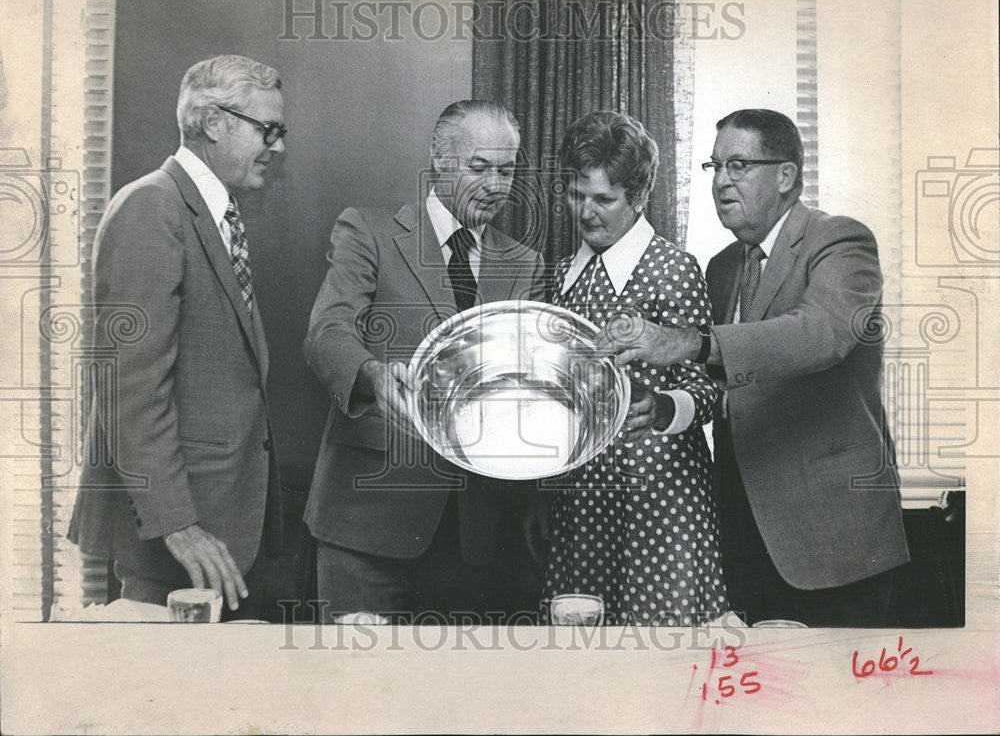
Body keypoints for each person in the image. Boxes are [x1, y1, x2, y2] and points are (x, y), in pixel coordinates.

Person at [597, 108, 910, 627]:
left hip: (836, 542)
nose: (720, 181)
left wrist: (689, 343)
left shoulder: (841, 241)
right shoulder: (722, 267)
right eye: (714, 167)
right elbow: (735, 385)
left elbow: (818, 335)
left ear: (785, 175)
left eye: (738, 165)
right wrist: (664, 408)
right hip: (746, 538)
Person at [303, 100, 546, 622]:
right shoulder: (367, 231)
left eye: (507, 170)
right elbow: (327, 333)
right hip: (366, 522)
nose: (495, 185)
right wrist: (371, 374)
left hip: (473, 534)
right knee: (356, 693)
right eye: (480, 167)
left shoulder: (525, 264)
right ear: (439, 159)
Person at [69, 54, 287, 618]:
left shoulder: (215, 214)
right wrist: (179, 525)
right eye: (270, 130)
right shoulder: (151, 208)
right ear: (215, 122)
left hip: (221, 526)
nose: (278, 146)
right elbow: (128, 392)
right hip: (176, 537)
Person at [543, 110, 727, 626]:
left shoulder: (674, 268)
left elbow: (708, 387)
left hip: (661, 503)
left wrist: (665, 406)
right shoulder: (560, 277)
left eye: (604, 199)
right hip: (581, 503)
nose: (586, 212)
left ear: (639, 197)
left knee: (662, 661)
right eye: (576, 195)